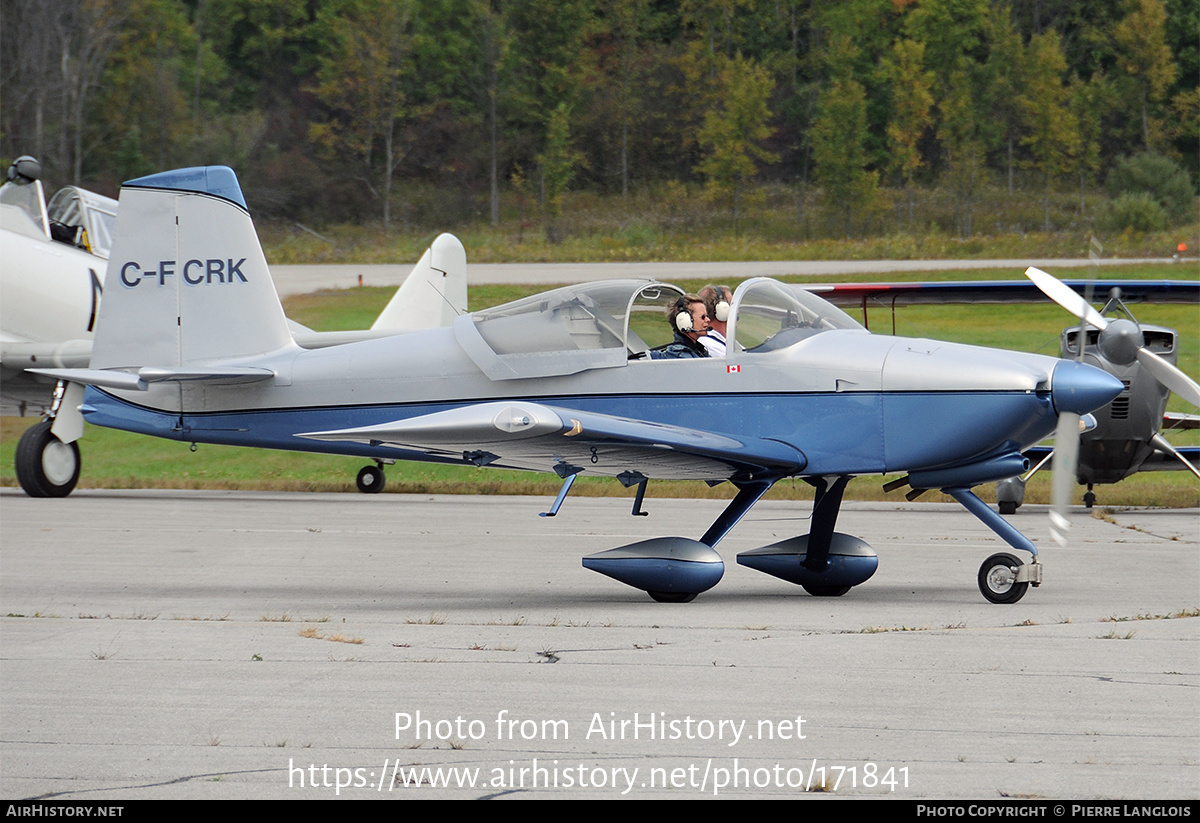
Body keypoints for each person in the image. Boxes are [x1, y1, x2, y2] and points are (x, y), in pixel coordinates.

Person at [652, 295, 710, 359]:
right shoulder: (681, 356)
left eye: (707, 316)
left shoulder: (699, 351)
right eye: (703, 317)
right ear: (685, 320)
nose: (708, 320)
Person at [697, 284, 732, 357]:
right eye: (732, 305)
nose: (737, 312)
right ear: (722, 309)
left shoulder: (724, 341)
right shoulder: (709, 345)